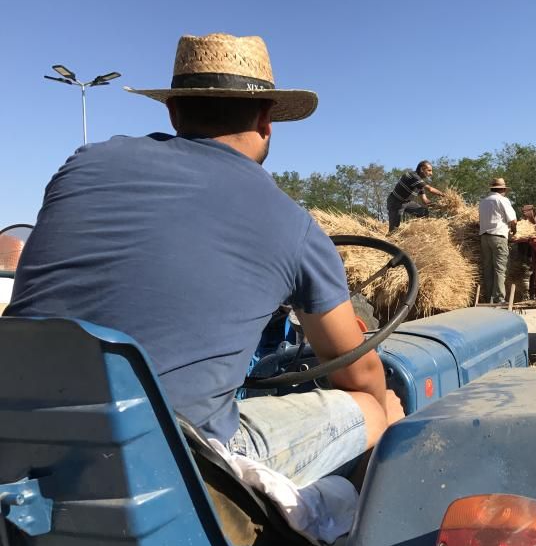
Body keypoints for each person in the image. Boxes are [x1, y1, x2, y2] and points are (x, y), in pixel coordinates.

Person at [5, 33, 402, 488]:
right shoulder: (291, 223)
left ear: (173, 111)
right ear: (267, 120)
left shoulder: (82, 164)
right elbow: (355, 367)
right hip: (174, 467)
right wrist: (387, 413)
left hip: (22, 439)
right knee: (374, 407)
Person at [478, 177, 517, 303]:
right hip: (498, 236)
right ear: (503, 189)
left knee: (488, 268)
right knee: (500, 268)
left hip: (484, 237)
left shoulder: (483, 201)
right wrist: (514, 230)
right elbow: (513, 220)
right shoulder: (502, 200)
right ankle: (499, 298)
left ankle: (489, 296)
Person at [386, 160, 443, 232]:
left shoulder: (419, 184)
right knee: (393, 230)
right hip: (395, 202)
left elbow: (425, 200)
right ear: (422, 169)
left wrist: (439, 205)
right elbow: (430, 189)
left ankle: (419, 232)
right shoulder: (413, 176)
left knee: (423, 212)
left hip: (407, 202)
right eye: (429, 170)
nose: (431, 173)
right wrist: (444, 196)